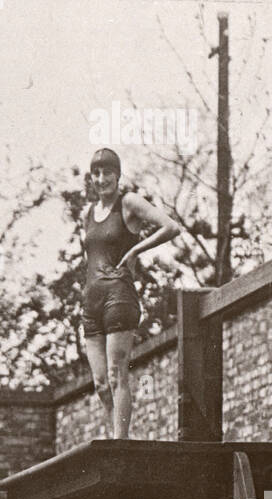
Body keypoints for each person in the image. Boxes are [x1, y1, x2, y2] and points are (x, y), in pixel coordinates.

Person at [82, 147, 179, 439]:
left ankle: (121, 440)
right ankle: (115, 437)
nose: (102, 179)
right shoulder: (88, 213)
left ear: (117, 174)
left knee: (116, 374)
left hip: (119, 297)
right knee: (100, 382)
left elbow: (171, 226)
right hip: (91, 301)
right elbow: (91, 257)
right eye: (96, 173)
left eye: (107, 172)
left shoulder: (128, 203)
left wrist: (135, 249)